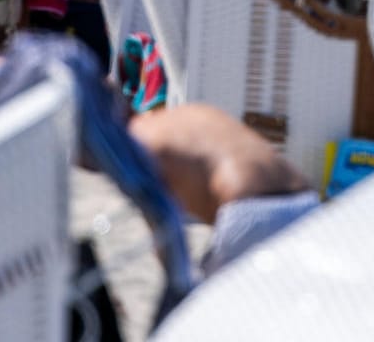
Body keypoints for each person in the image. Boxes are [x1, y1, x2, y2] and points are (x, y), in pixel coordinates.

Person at [126, 104, 316, 275]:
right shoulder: (190, 112)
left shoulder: (137, 141)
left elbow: (166, 237)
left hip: (250, 212)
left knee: (213, 306)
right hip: (305, 201)